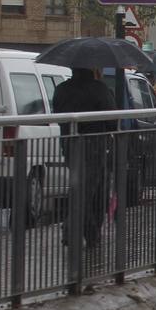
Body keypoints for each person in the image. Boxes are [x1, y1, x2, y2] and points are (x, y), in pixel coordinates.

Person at [51, 68, 116, 248]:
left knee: (81, 189)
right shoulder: (99, 89)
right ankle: (83, 233)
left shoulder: (61, 89)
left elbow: (57, 115)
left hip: (70, 145)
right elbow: (112, 121)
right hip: (94, 146)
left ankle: (81, 232)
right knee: (90, 193)